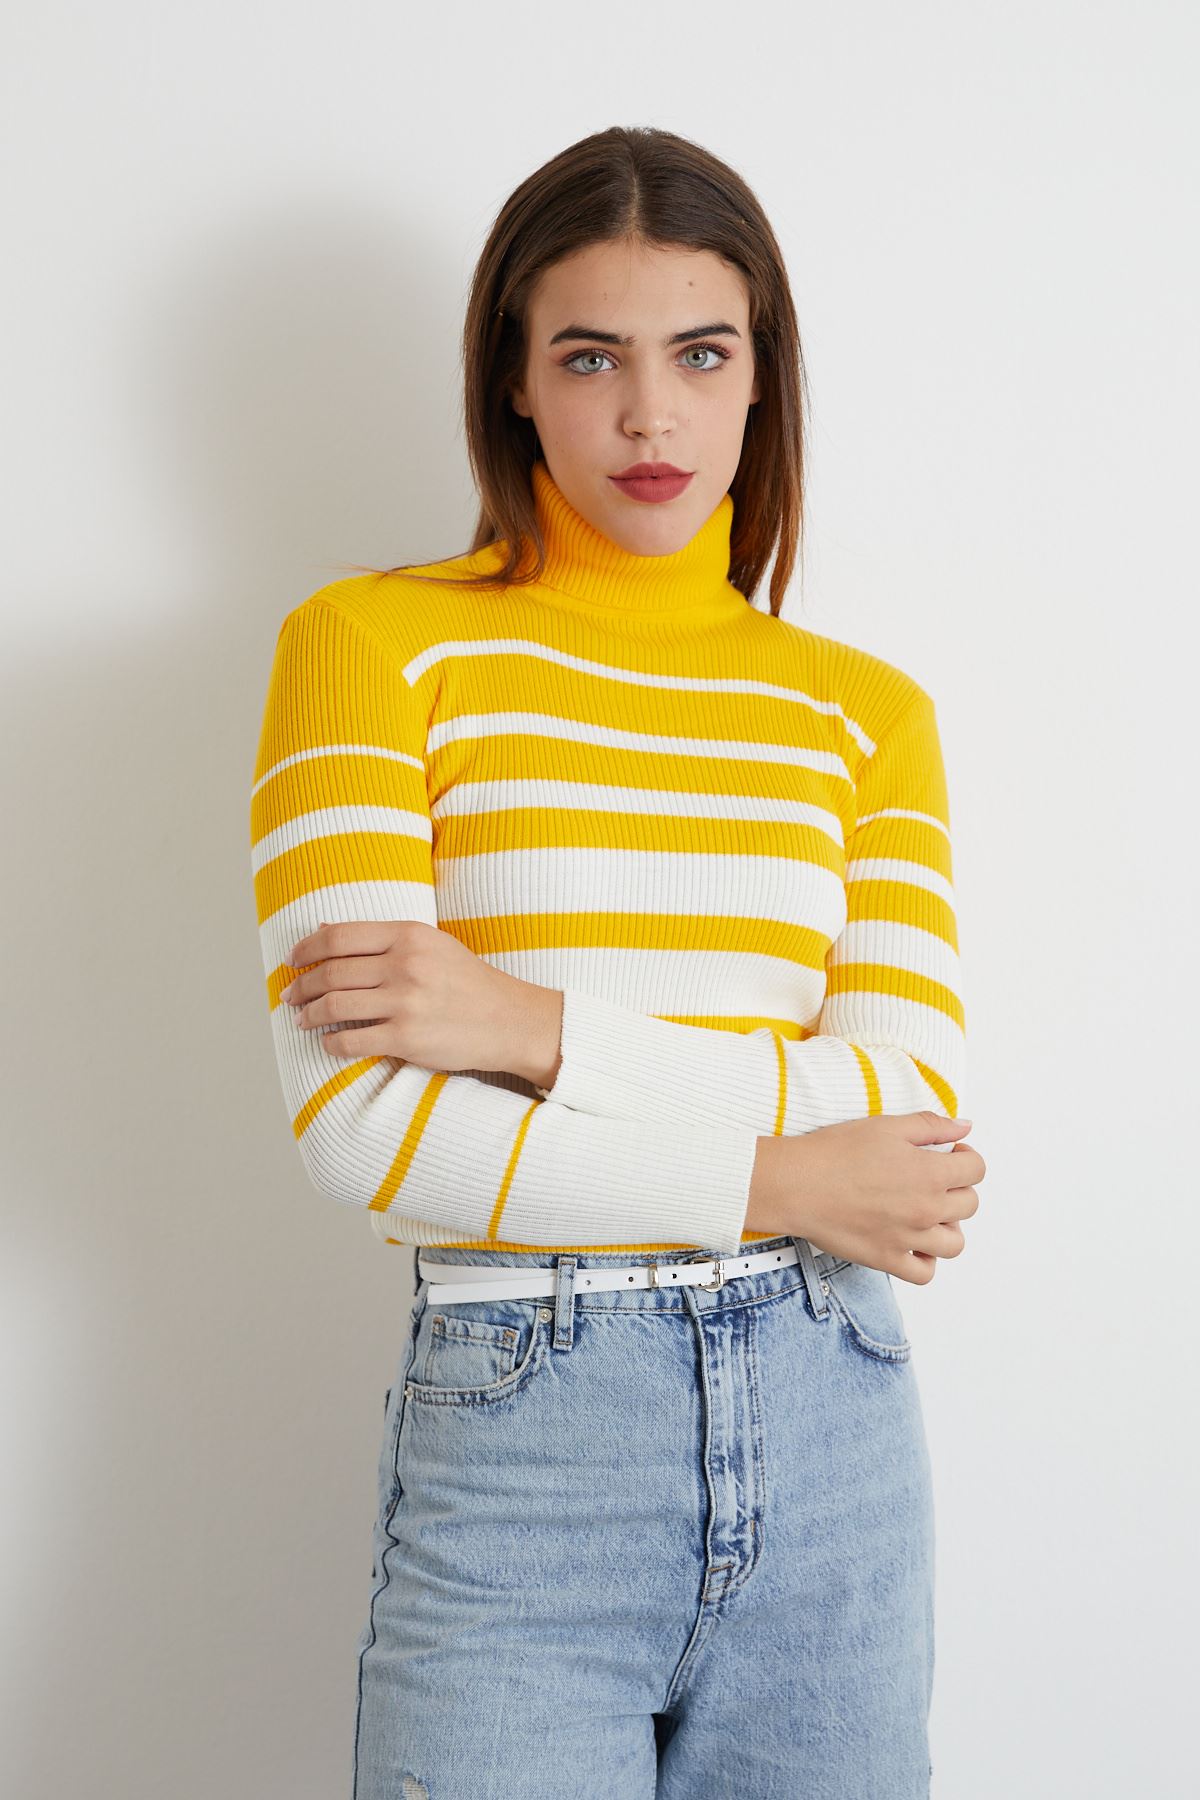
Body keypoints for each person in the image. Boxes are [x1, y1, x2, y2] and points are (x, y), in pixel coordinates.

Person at [249, 124, 985, 1800]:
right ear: (513, 380)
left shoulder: (866, 715)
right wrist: (787, 1177)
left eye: (700, 354)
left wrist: (526, 1026)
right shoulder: (372, 647)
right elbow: (373, 1134)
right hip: (528, 1438)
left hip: (837, 1430)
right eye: (591, 358)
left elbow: (906, 1112)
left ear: (761, 376)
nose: (651, 416)